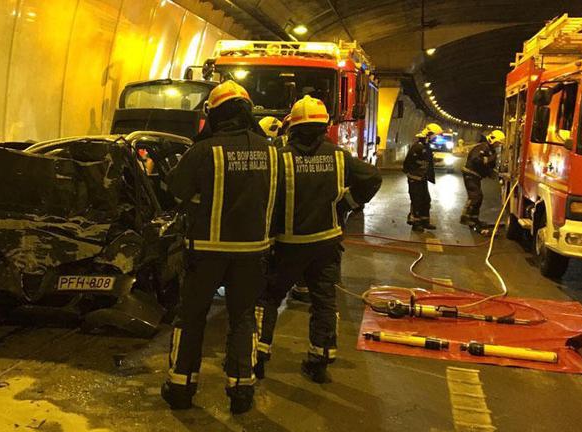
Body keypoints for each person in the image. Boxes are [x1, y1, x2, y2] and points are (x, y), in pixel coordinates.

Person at [162, 80, 278, 414]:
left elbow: (176, 190)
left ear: (215, 114)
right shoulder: (271, 151)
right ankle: (241, 391)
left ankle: (181, 388)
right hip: (254, 252)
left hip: (207, 252)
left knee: (192, 317)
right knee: (242, 317)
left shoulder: (204, 150)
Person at [254, 96, 381, 383]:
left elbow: (266, 198)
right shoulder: (339, 156)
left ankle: (258, 357)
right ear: (324, 126)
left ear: (294, 126)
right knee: (324, 301)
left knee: (268, 298)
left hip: (287, 245)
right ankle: (320, 359)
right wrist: (348, 202)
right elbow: (373, 177)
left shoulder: (279, 157)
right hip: (326, 244)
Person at [460, 130, 505, 228]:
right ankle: (465, 217)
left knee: (479, 197)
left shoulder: (490, 150)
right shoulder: (482, 147)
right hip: (470, 174)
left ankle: (474, 219)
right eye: (498, 143)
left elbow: (489, 165)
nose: (498, 145)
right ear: (493, 140)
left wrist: (490, 171)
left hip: (476, 176)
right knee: (475, 196)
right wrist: (488, 161)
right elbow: (476, 160)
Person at [404, 123, 442, 232]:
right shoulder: (418, 147)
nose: (436, 138)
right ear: (429, 134)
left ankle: (424, 221)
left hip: (422, 178)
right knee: (417, 200)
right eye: (435, 135)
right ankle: (416, 223)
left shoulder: (425, 146)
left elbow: (426, 160)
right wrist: (415, 174)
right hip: (415, 179)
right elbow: (408, 163)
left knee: (426, 200)